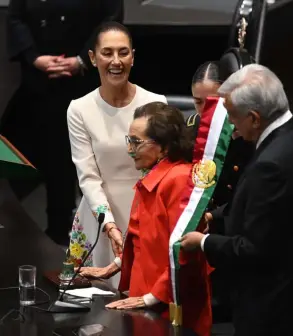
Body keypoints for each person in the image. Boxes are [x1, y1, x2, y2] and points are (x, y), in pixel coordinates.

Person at [181, 64, 293, 336]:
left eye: (231, 116)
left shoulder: (270, 166)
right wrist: (212, 218)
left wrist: (203, 242)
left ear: (253, 118)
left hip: (277, 308)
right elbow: (263, 206)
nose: (229, 124)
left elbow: (253, 250)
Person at [0, 0, 123, 245]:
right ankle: (41, 232)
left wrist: (81, 61)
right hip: (38, 85)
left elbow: (111, 21)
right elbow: (16, 18)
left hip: (88, 84)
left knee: (85, 163)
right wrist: (34, 58)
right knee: (37, 158)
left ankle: (88, 236)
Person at [83, 102, 211, 336]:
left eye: (137, 142)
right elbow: (142, 237)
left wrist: (153, 297)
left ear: (163, 147)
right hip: (146, 294)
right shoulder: (153, 176)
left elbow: (185, 251)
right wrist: (115, 266)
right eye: (129, 140)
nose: (130, 149)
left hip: (169, 302)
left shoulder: (180, 180)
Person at [66, 22, 166, 288]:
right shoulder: (79, 109)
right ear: (92, 57)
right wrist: (109, 224)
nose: (115, 61)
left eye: (123, 53)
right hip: (98, 219)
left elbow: (163, 171)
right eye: (107, 53)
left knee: (142, 304)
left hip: (144, 216)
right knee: (89, 311)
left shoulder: (156, 104)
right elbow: (87, 177)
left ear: (133, 56)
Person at [187, 61, 254, 321]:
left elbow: (248, 197)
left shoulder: (249, 136)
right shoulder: (191, 130)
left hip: (234, 233)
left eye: (213, 104)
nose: (204, 112)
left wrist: (214, 217)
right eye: (197, 102)